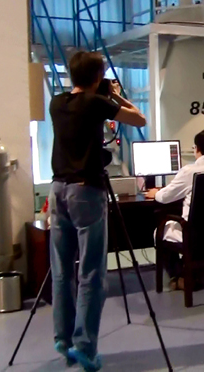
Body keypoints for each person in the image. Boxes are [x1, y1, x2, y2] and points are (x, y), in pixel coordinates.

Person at [49, 51, 146, 371]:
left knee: (62, 270)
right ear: (98, 77)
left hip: (58, 191)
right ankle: (85, 348)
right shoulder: (96, 103)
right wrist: (115, 96)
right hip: (86, 192)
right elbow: (139, 119)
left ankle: (62, 339)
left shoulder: (56, 103)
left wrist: (101, 94)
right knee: (91, 272)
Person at [146, 129, 204, 289]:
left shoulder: (190, 171)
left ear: (197, 149)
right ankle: (194, 272)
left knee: (161, 230)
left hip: (195, 235)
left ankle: (180, 275)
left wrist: (155, 193)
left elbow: (165, 197)